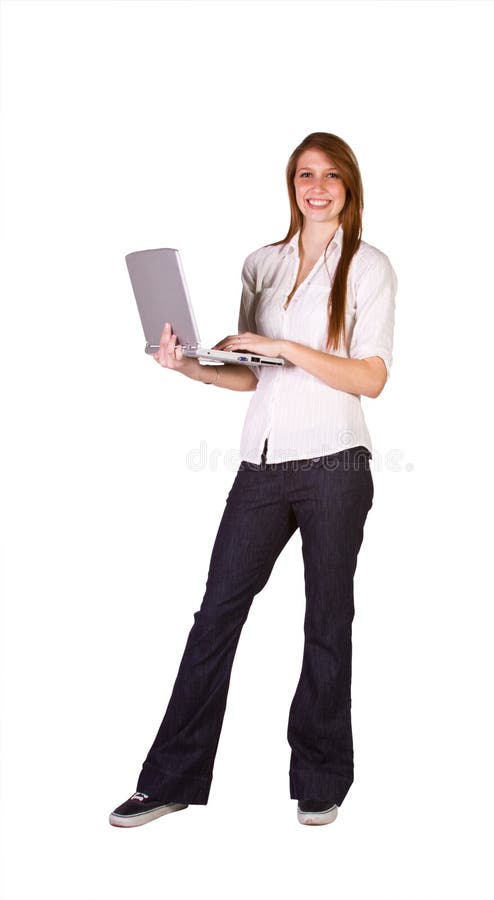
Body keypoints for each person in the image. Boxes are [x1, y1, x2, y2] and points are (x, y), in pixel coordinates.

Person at [109, 132, 397, 828]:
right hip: (261, 465)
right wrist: (189, 367)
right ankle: (171, 778)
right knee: (216, 616)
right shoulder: (260, 264)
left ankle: (321, 777)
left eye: (330, 175)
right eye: (305, 174)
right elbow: (252, 375)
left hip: (335, 464)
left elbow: (371, 378)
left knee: (328, 620)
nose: (317, 187)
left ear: (349, 185)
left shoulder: (369, 267)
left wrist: (280, 344)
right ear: (291, 183)